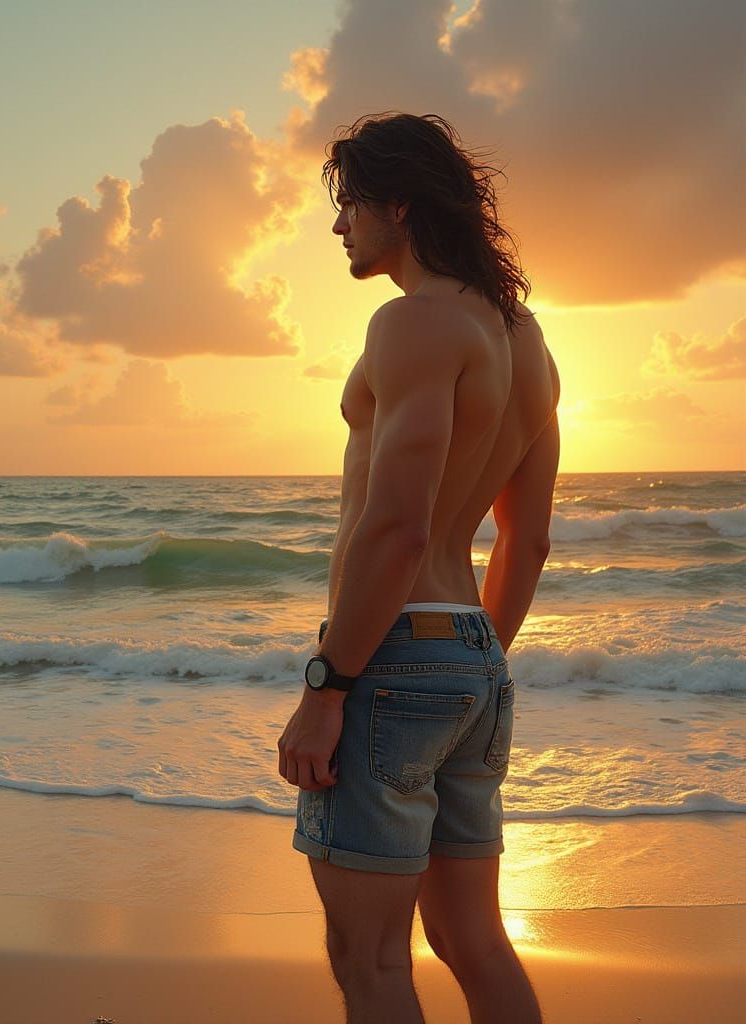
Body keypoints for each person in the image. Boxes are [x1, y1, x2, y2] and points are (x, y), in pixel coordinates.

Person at [277, 112, 559, 1024]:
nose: (338, 225)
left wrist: (328, 686)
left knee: (371, 962)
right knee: (476, 944)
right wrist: (473, 660)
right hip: (475, 658)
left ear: (398, 206)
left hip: (389, 662)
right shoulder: (529, 343)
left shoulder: (411, 325)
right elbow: (528, 541)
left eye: (349, 203)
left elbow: (396, 528)